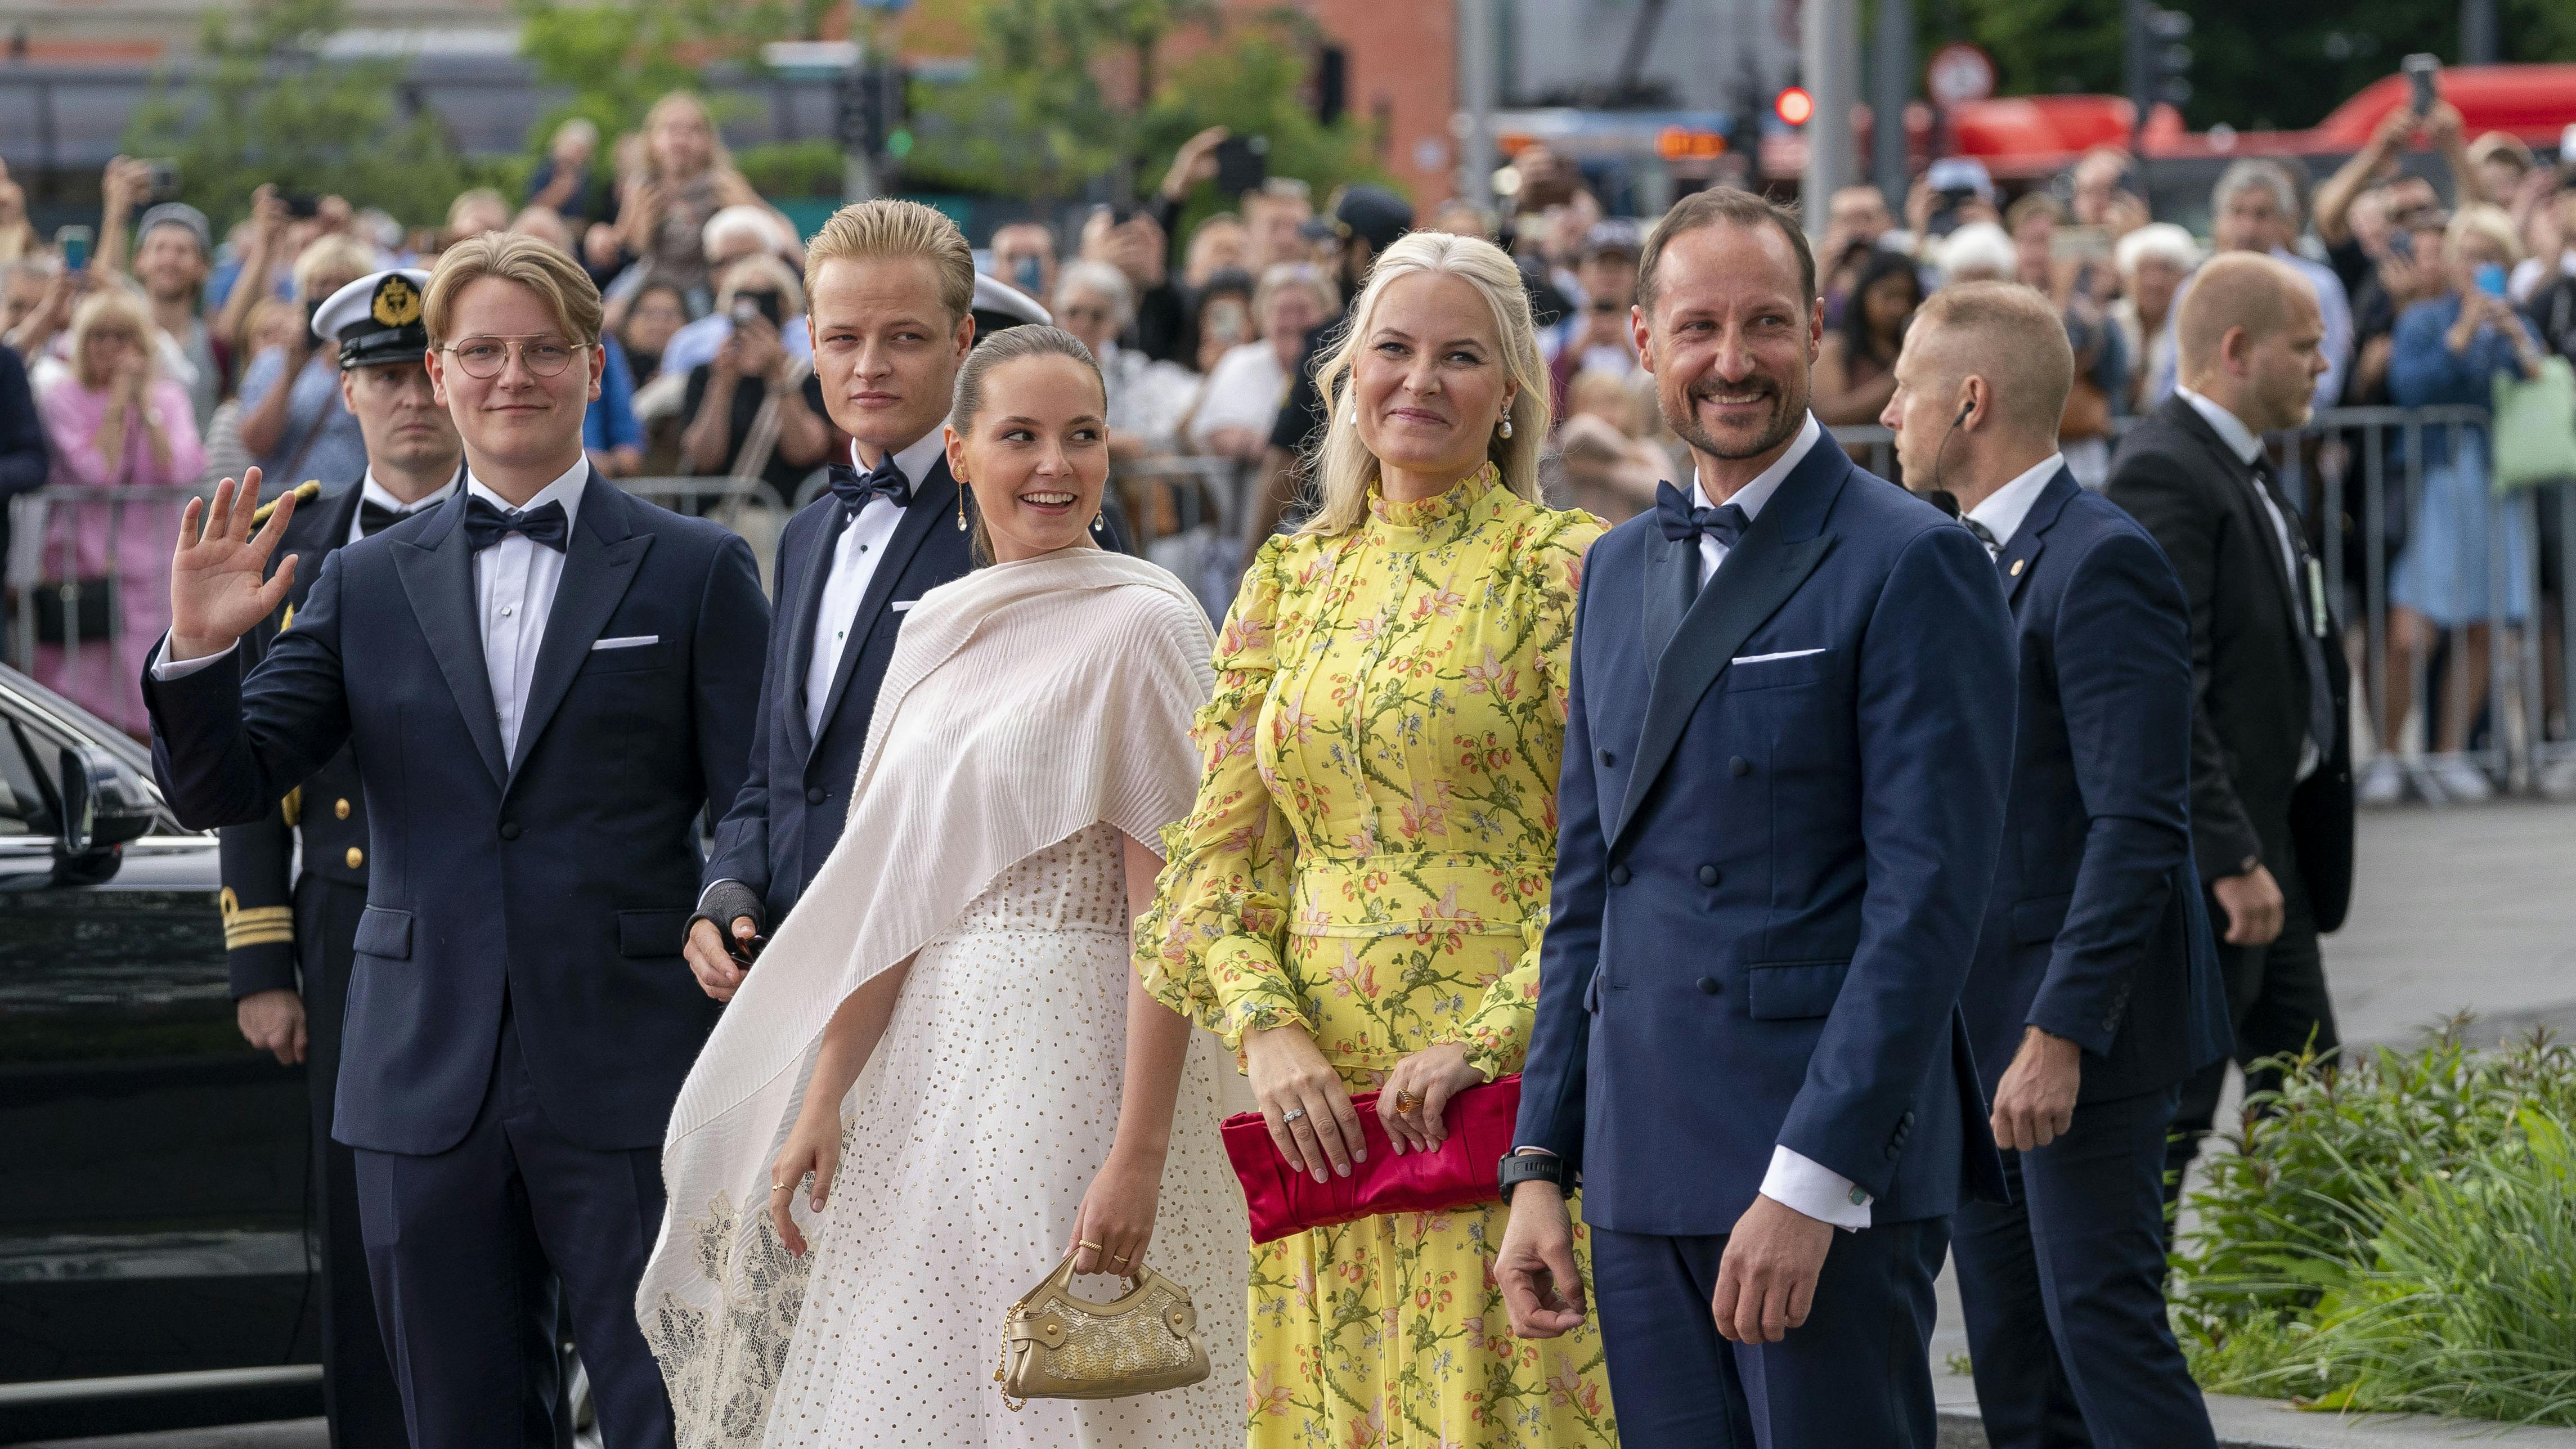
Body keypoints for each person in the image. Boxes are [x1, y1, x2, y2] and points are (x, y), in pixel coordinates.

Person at [144, 232, 769, 1449]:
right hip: (421, 1074)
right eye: (480, 351)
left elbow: (755, 790)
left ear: (594, 368)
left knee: (673, 1415)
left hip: (633, 1061)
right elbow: (224, 781)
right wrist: (202, 654)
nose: (511, 376)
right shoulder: (363, 579)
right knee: (456, 1425)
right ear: (438, 374)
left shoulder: (696, 570)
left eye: (543, 351)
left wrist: (731, 883)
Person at [644, 323, 1246, 1442]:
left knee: (1059, 1398)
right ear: (962, 454)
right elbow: (898, 889)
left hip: (1078, 1070)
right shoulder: (939, 629)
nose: (1055, 466)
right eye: (1021, 436)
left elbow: (1179, 915)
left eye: (1083, 436)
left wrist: (1139, 1153)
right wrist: (826, 1094)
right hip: (924, 1081)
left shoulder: (1150, 623)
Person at [1496, 186, 2013, 1449]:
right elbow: (1588, 896)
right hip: (1637, 1160)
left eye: (1767, 324)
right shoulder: (1615, 566)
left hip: (1804, 1162)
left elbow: (1926, 910)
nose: (1733, 362)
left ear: (1821, 330)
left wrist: (1813, 1182)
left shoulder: (1911, 558)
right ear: (1640, 339)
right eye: (1700, 327)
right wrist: (1540, 1166)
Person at [1139, 230, 1617, 1449]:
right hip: (1322, 1122)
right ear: (1347, 376)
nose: (1421, 380)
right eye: (1393, 349)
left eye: (1461, 356)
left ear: (1511, 392)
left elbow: (1622, 861)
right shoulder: (1289, 578)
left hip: (1503, 1103)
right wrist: (1270, 1030)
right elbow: (1211, 868)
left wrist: (1489, 1036)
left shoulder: (1568, 570)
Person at [1882, 281, 2228, 1449]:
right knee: (2018, 1364)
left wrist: (2061, 1031)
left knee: (2103, 1334)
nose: (1887, 411)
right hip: (1981, 1030)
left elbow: (2138, 823)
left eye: (1907, 386)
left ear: (1970, 399)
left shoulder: (2099, 561)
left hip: (2080, 1039)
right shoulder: (1958, 555)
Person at [217, 268, 465, 1449]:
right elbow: (246, 764)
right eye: (379, 379)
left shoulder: (526, 526)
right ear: (346, 392)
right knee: (365, 1215)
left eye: (425, 376)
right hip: (352, 912)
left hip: (488, 912)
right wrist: (261, 958)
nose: (409, 403)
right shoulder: (295, 545)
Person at [2103, 253, 2354, 1220]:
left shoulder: (2235, 461)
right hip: (2217, 860)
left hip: (2268, 841)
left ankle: (2287, 1302)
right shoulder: (2165, 470)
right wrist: (2227, 856)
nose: (2321, 366)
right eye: (2304, 346)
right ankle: (2127, 1329)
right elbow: (2169, 689)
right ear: (2237, 350)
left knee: (2307, 1092)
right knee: (2173, 1116)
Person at [683, 197, 982, 988]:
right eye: (844, 338)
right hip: (792, 971)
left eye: (905, 338)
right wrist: (728, 888)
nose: (869, 364)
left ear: (962, 342)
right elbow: (775, 772)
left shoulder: (1013, 521)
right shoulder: (806, 533)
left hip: (948, 979)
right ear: (810, 343)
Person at [2383, 204, 2546, 803]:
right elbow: (2412, 387)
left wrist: (2515, 337)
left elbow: (2540, 381)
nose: (2479, 269)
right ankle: (2386, 753)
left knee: (2484, 626)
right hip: (2433, 483)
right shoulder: (2425, 319)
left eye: (2492, 258)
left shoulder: (2515, 320)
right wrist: (2465, 330)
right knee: (2410, 632)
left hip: (2493, 486)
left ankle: (2448, 753)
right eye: (2470, 255)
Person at [32, 287, 205, 737]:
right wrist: (115, 405)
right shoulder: (63, 398)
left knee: (149, 691)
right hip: (85, 566)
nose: (111, 348)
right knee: (83, 699)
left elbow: (183, 469)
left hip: (154, 568)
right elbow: (97, 474)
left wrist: (143, 406)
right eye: (99, 337)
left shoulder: (168, 398)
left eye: (123, 337)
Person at [1239, 183, 1415, 554]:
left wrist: (1253, 555)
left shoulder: (1332, 340)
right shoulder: (1428, 332)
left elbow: (1285, 459)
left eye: (1336, 247)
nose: (1326, 261)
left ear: (1362, 252)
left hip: (1336, 540)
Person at [2151, 162, 2354, 410]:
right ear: (2219, 221)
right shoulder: (2194, 290)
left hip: (2294, 444)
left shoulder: (2318, 286)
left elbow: (2325, 385)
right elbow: (2172, 381)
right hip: (2213, 442)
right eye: (2238, 213)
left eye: (2261, 215)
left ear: (2285, 223)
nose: (2248, 228)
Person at [677, 253, 829, 504]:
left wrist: (779, 375)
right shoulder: (707, 374)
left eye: (766, 301)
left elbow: (804, 451)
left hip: (787, 518)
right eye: (742, 299)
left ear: (784, 307)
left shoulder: (806, 373)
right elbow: (702, 458)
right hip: (720, 521)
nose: (753, 316)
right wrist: (722, 384)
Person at [236, 235, 374, 495]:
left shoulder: (377, 362)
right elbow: (256, 443)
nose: (331, 296)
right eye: (320, 286)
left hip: (352, 507)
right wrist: (291, 373)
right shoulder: (272, 362)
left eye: (343, 286)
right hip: (287, 511)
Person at [1187, 261, 1335, 461]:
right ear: (1263, 319)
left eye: (1302, 310)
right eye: (1282, 311)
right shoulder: (1240, 362)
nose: (1292, 322)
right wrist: (1274, 446)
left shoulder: (1339, 366)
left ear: (1327, 315)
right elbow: (1216, 433)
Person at [1053, 260, 1196, 460]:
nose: (1083, 324)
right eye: (1073, 312)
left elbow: (1154, 436)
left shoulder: (1133, 370)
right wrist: (1111, 443)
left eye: (1097, 316)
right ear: (1057, 315)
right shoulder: (1043, 371)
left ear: (1118, 323)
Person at [653, 208, 810, 380]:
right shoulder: (689, 343)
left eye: (745, 259)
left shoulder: (813, 340)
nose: (733, 270)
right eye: (721, 263)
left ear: (778, 260)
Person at [125, 202, 228, 434]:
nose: (169, 260)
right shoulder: (117, 341)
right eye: (160, 248)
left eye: (182, 251)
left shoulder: (217, 347)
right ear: (139, 261)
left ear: (204, 267)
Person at [1812, 246, 1921, 433]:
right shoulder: (1836, 348)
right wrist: (1893, 380)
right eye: (1889, 295)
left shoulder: (1915, 349)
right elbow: (1826, 414)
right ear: (1864, 294)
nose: (1899, 307)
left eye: (1907, 297)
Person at [2113, 223, 2198, 415]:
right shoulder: (2112, 323)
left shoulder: (2192, 329)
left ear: (2185, 276)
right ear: (2127, 277)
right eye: (2143, 270)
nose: (2154, 282)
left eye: (2166, 269)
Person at [526, 117, 605, 226]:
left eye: (580, 150)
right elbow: (534, 209)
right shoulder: (544, 172)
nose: (574, 154)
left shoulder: (588, 179)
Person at [616, 279, 688, 388]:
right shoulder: (611, 372)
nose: (659, 323)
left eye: (669, 315)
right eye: (650, 314)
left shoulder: (692, 377)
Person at [988, 218, 1059, 304]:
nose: (1023, 269)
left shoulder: (1073, 315)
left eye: (1033, 258)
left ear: (1054, 269)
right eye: (1012, 258)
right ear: (996, 270)